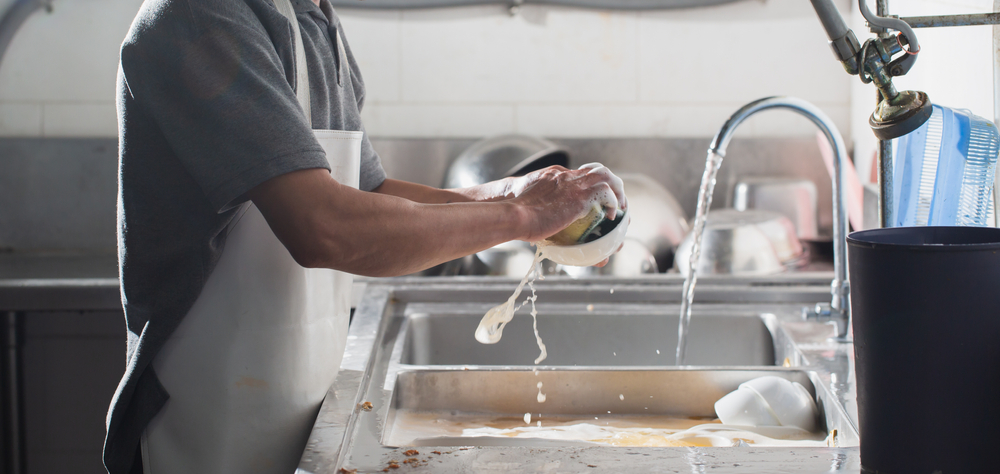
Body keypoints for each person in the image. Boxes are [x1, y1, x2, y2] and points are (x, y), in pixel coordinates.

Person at [105, 0, 625, 473]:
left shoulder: (312, 17)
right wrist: (523, 217)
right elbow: (324, 228)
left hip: (302, 410)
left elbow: (370, 193)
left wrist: (518, 193)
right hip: (207, 424)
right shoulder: (203, 18)